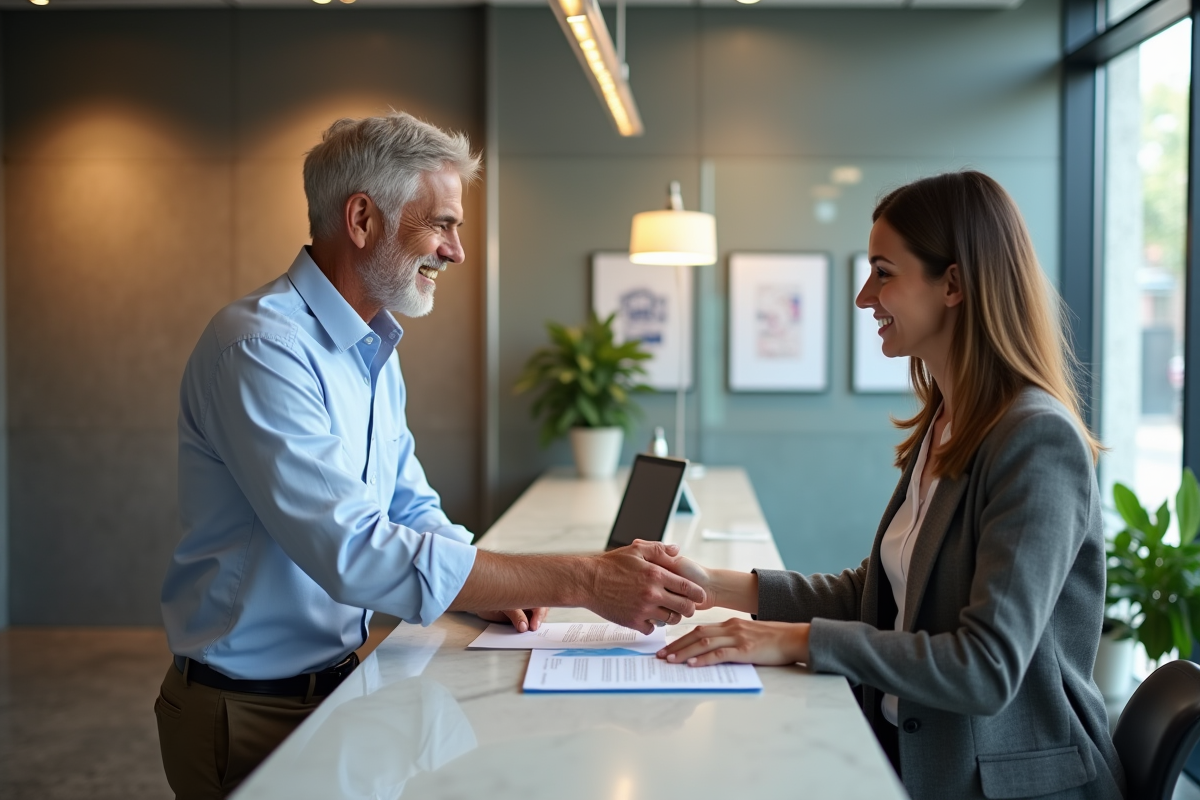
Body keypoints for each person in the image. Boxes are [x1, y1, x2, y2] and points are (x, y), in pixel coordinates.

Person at [155, 112, 705, 800]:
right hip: (247, 711)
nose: (456, 252)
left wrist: (506, 592)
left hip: (331, 687)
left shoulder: (373, 349)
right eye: (442, 224)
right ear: (362, 219)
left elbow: (409, 506)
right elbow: (353, 549)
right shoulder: (260, 347)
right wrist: (585, 581)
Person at [657, 171, 1126, 800]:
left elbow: (985, 669)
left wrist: (794, 640)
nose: (862, 297)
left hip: (1000, 784)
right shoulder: (947, 420)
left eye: (883, 272)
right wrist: (709, 585)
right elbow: (881, 596)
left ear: (953, 284)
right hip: (906, 754)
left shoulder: (1037, 441)